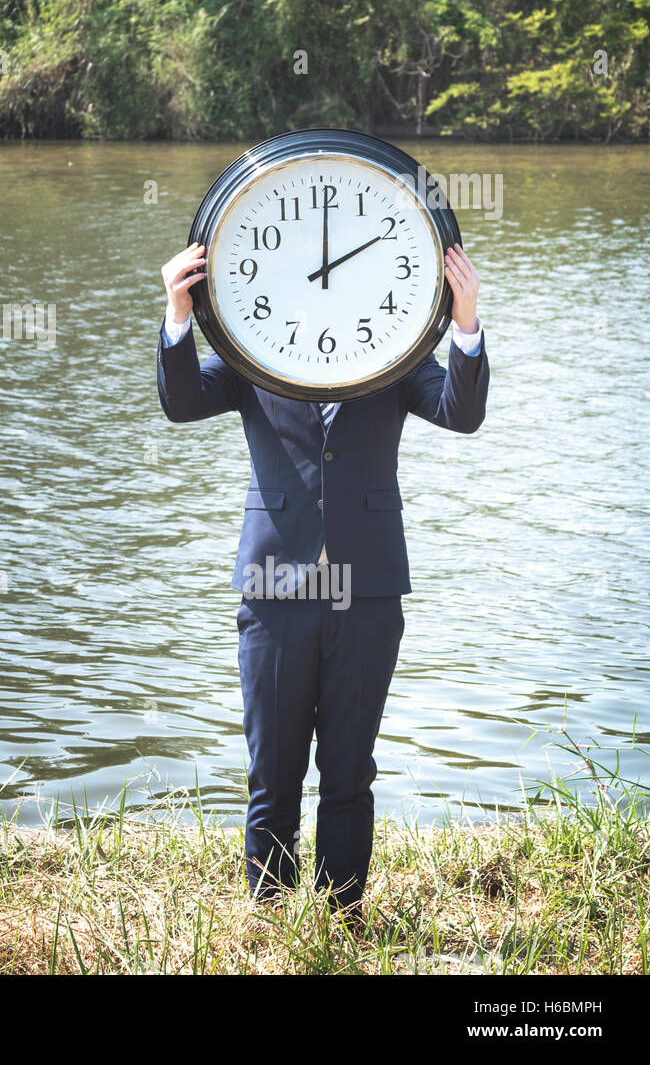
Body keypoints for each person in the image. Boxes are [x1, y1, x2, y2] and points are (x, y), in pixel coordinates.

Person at [156, 240, 488, 918]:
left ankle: (343, 916)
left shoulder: (391, 356)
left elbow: (462, 413)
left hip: (366, 591)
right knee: (271, 774)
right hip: (274, 590)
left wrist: (466, 320)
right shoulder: (254, 353)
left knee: (349, 773)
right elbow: (183, 403)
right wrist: (176, 311)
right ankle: (269, 911)